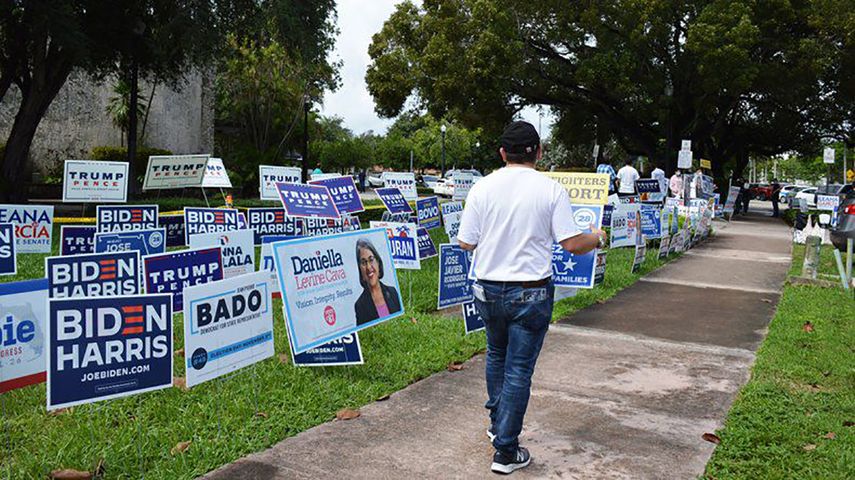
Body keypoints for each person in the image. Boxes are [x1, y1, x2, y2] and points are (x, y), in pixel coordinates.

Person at [457, 121, 607, 475]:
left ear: (502, 153)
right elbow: (572, 244)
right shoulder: (550, 189)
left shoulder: (482, 187)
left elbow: (466, 242)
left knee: (496, 354)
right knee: (519, 369)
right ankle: (505, 451)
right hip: (531, 291)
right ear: (539, 153)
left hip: (488, 288)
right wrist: (598, 236)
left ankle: (498, 425)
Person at [353, 238, 401, 325]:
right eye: (363, 263)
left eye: (371, 260)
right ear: (360, 270)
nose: (368, 267)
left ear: (378, 262)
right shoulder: (360, 305)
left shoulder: (392, 292)